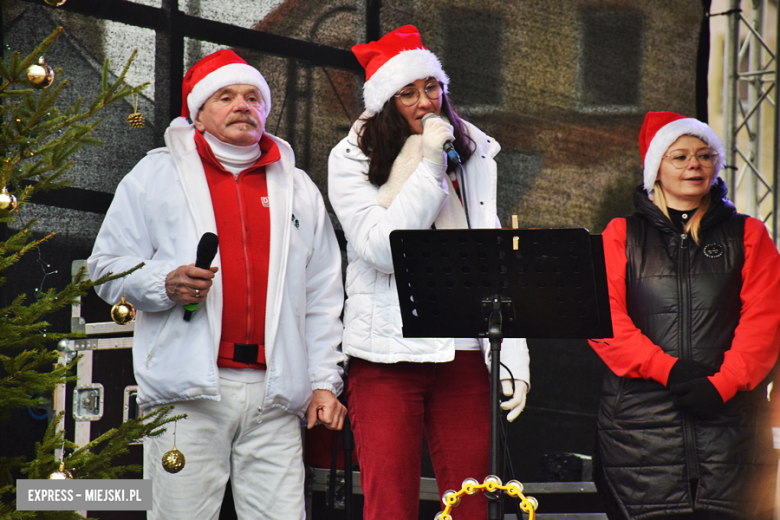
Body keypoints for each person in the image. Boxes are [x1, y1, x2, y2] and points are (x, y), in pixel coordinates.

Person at [88, 49, 346, 520]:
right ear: (199, 114)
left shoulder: (300, 189)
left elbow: (323, 296)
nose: (242, 105)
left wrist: (324, 383)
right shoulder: (155, 175)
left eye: (253, 96)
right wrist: (164, 282)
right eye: (225, 96)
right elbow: (105, 267)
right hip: (189, 393)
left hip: (276, 396)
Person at [328, 25, 531, 519]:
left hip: (463, 352)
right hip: (386, 357)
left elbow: (492, 255)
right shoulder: (350, 156)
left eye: (431, 88)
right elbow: (381, 249)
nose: (425, 102)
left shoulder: (476, 152)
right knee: (389, 506)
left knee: (472, 507)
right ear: (385, 102)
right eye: (409, 93)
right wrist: (428, 169)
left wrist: (514, 359)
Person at [588, 111, 780, 520]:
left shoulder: (749, 235)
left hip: (731, 432)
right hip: (638, 435)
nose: (695, 164)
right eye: (679, 156)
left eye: (705, 155)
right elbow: (603, 322)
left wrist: (722, 384)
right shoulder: (621, 234)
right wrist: (668, 369)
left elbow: (766, 322)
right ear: (655, 167)